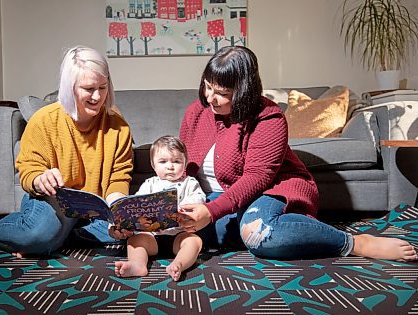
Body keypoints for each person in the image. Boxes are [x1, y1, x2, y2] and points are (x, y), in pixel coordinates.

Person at [177, 45, 417, 262]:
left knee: (258, 232)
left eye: (221, 92)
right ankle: (256, 229)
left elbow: (257, 177)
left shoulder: (268, 117)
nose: (210, 98)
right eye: (207, 86)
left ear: (243, 91)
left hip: (271, 189)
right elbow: (187, 167)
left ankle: (353, 243)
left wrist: (211, 212)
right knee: (168, 231)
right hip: (217, 198)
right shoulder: (196, 112)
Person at [0, 46, 133, 257]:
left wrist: (118, 210)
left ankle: (48, 238)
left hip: (93, 212)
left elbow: (118, 177)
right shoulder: (45, 120)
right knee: (37, 234)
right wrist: (40, 179)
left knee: (132, 232)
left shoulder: (118, 126)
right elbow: (29, 169)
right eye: (88, 88)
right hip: (53, 200)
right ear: (69, 87)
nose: (97, 96)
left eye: (103, 87)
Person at [114, 135, 206, 281]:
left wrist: (184, 208)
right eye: (163, 162)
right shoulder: (149, 183)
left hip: (179, 235)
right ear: (153, 164)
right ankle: (137, 265)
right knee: (134, 241)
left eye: (176, 161)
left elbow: (199, 198)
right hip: (151, 236)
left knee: (194, 242)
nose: (170, 166)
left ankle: (179, 264)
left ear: (185, 163)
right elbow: (138, 203)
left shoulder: (190, 182)